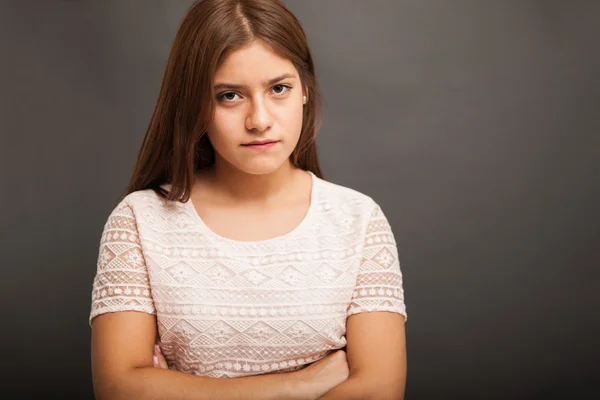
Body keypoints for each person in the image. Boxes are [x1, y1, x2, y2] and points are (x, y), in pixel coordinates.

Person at [89, 0, 407, 399]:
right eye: (229, 96)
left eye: (279, 89)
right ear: (196, 105)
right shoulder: (140, 219)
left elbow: (378, 390)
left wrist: (181, 389)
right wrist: (297, 385)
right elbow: (120, 388)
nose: (259, 120)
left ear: (305, 90)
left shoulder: (357, 221)